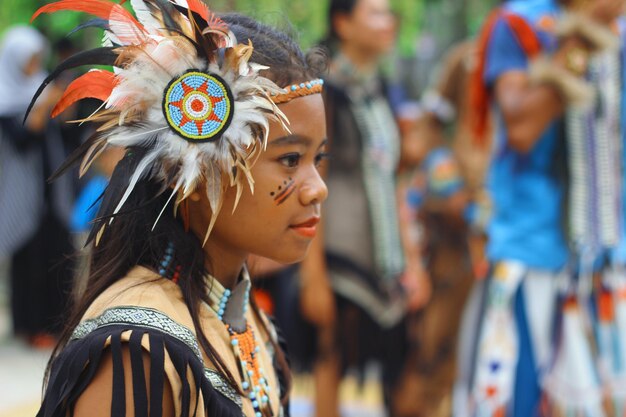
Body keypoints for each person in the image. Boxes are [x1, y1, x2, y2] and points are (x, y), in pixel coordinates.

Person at [30, 1, 328, 416]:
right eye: (291, 159)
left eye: (320, 159)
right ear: (194, 165)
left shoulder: (240, 313)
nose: (318, 189)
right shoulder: (138, 349)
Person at [460, 1, 624, 416]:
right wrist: (582, 37)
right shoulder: (520, 24)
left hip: (611, 262)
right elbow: (522, 128)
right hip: (531, 257)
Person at [299, 0, 431, 415]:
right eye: (375, 13)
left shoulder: (382, 92)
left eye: (389, 13)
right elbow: (311, 182)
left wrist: (412, 260)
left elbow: (395, 182)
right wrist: (312, 275)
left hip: (385, 260)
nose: (388, 22)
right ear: (343, 22)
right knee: (330, 356)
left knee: (394, 367)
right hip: (335, 257)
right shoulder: (324, 93)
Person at [0, 25, 75, 347]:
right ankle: (30, 328)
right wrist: (45, 104)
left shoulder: (42, 88)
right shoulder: (6, 97)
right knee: (28, 261)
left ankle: (58, 324)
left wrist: (61, 103)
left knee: (58, 256)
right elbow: (23, 140)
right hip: (21, 193)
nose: (34, 65)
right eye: (29, 60)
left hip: (52, 190)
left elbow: (66, 132)